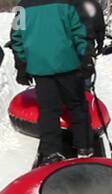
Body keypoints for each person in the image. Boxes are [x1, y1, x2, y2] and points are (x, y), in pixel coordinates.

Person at [11, 0, 95, 165]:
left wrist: (22, 65)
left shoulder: (23, 8)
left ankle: (51, 152)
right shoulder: (68, 4)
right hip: (68, 64)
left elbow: (17, 38)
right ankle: (84, 147)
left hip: (40, 66)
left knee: (48, 110)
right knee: (77, 105)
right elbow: (80, 32)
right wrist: (86, 58)